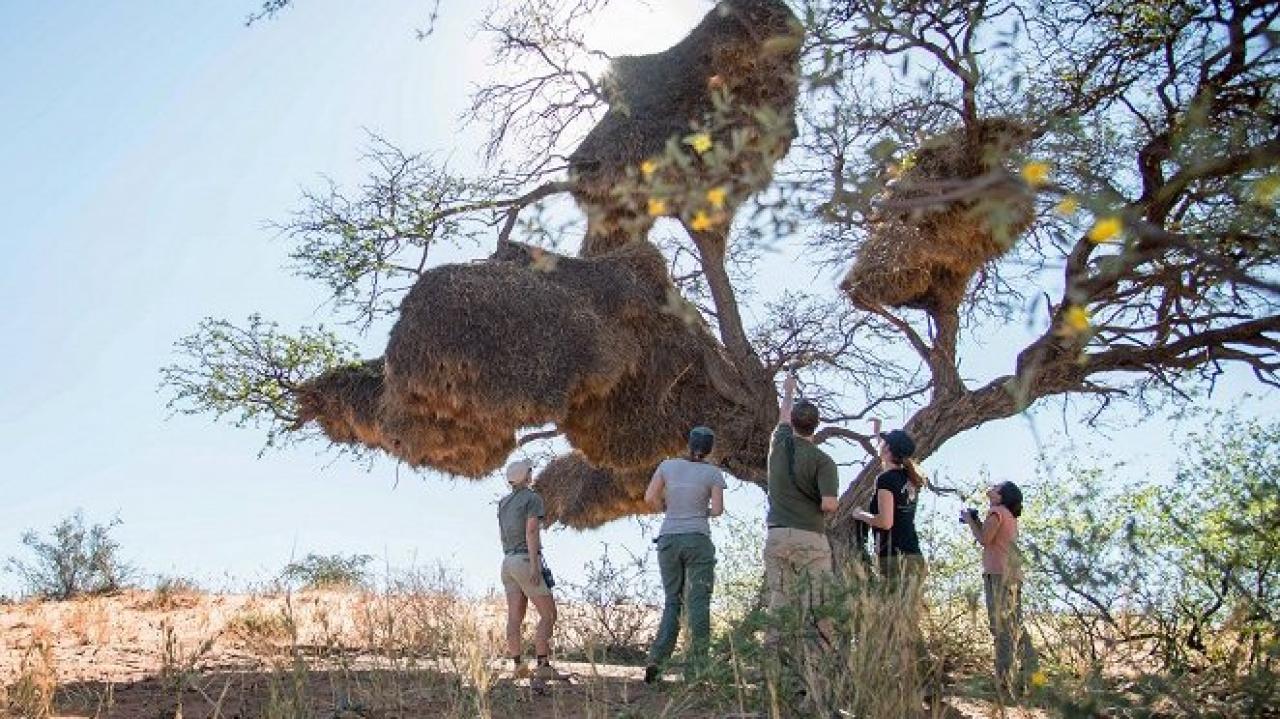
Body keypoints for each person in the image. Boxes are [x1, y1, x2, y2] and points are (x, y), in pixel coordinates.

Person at [642, 426, 727, 683]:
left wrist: (667, 509)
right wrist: (702, 511)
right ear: (710, 449)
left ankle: (657, 661)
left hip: (668, 538)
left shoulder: (667, 466)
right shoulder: (713, 473)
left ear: (688, 444)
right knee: (698, 602)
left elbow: (649, 498)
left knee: (672, 600)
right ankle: (698, 669)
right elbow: (718, 510)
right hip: (697, 539)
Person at [763, 372, 840, 637]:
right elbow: (829, 505)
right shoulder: (823, 461)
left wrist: (788, 391)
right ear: (816, 426)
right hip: (810, 536)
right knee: (819, 604)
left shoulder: (779, 445)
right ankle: (816, 667)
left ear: (792, 423)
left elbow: (782, 416)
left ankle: (773, 666)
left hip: (777, 535)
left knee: (780, 603)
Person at [962, 481, 1038, 696]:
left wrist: (970, 521)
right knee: (1015, 626)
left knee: (1002, 628)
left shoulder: (996, 512)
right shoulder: (1009, 515)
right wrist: (977, 520)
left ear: (1002, 495)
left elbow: (984, 539)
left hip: (997, 575)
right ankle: (1033, 677)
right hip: (1011, 575)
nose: (990, 488)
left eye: (996, 487)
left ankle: (1003, 681)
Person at [497, 459, 562, 683]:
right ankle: (543, 664)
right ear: (526, 476)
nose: (532, 474)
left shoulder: (503, 503)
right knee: (549, 614)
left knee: (515, 617)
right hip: (525, 560)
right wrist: (534, 565)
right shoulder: (531, 498)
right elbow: (532, 531)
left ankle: (518, 665)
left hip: (507, 562)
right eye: (530, 471)